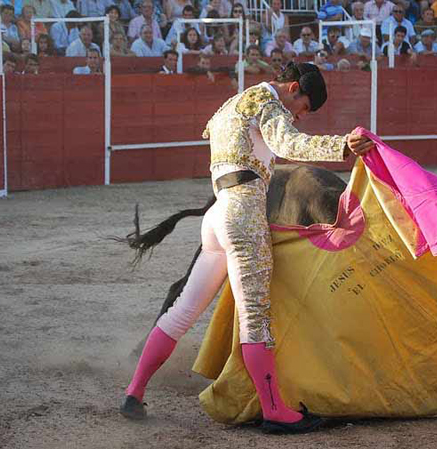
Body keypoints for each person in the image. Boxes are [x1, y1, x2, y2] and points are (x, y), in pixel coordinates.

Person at [120, 62, 375, 434]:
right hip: (242, 214)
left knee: (181, 312)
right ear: (292, 88)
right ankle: (275, 410)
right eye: (302, 108)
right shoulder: (267, 101)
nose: (299, 117)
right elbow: (289, 144)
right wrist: (341, 145)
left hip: (216, 213)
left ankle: (134, 391)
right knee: (255, 318)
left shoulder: (231, 105)